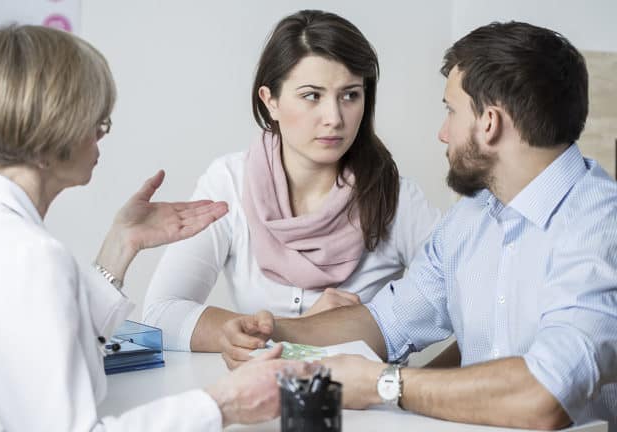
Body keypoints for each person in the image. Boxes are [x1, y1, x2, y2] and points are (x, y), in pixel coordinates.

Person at [0, 24, 307, 432]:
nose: (100, 138)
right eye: (96, 124)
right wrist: (224, 404)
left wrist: (122, 244)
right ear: (48, 140)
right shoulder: (23, 255)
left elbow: (51, 357)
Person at [219, 21, 617, 430]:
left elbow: (544, 397)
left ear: (489, 123)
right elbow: (385, 323)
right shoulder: (472, 217)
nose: (442, 133)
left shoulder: (601, 225)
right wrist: (272, 330)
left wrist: (383, 384)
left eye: (451, 111)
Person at [143, 10, 441, 354]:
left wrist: (282, 331)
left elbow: (460, 298)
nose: (334, 118)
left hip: (366, 402)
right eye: (312, 95)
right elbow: (161, 315)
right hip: (255, 396)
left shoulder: (396, 198)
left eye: (350, 95)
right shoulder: (229, 182)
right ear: (270, 101)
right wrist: (304, 330)